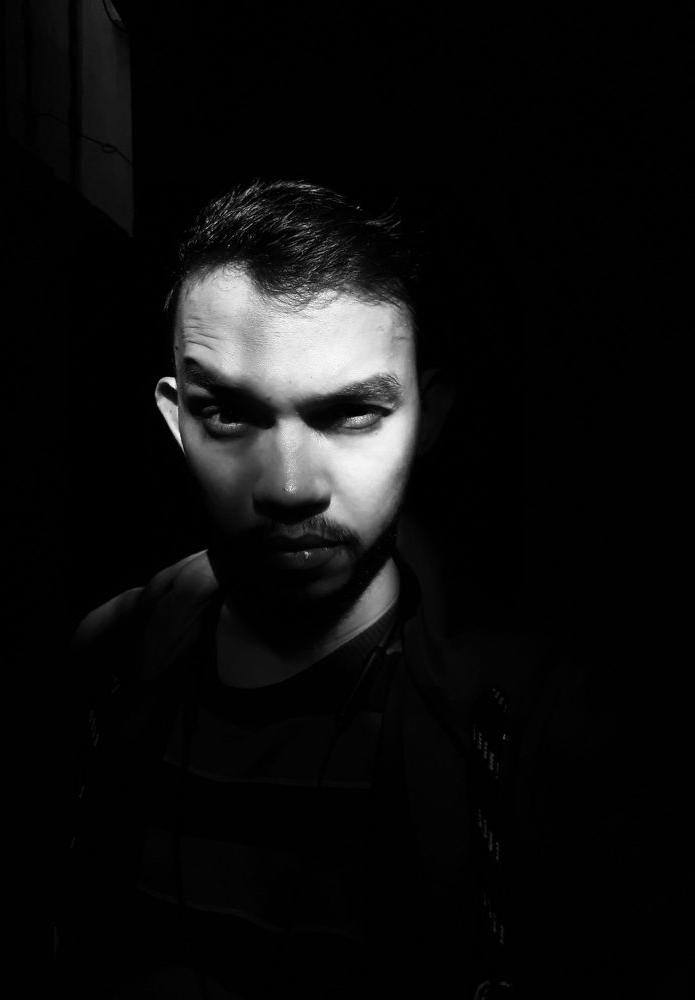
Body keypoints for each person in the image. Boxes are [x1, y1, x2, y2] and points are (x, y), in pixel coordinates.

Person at [54, 180, 683, 999]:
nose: (289, 488)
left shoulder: (539, 729)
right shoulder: (105, 666)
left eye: (352, 413)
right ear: (176, 419)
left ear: (428, 419)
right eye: (230, 414)